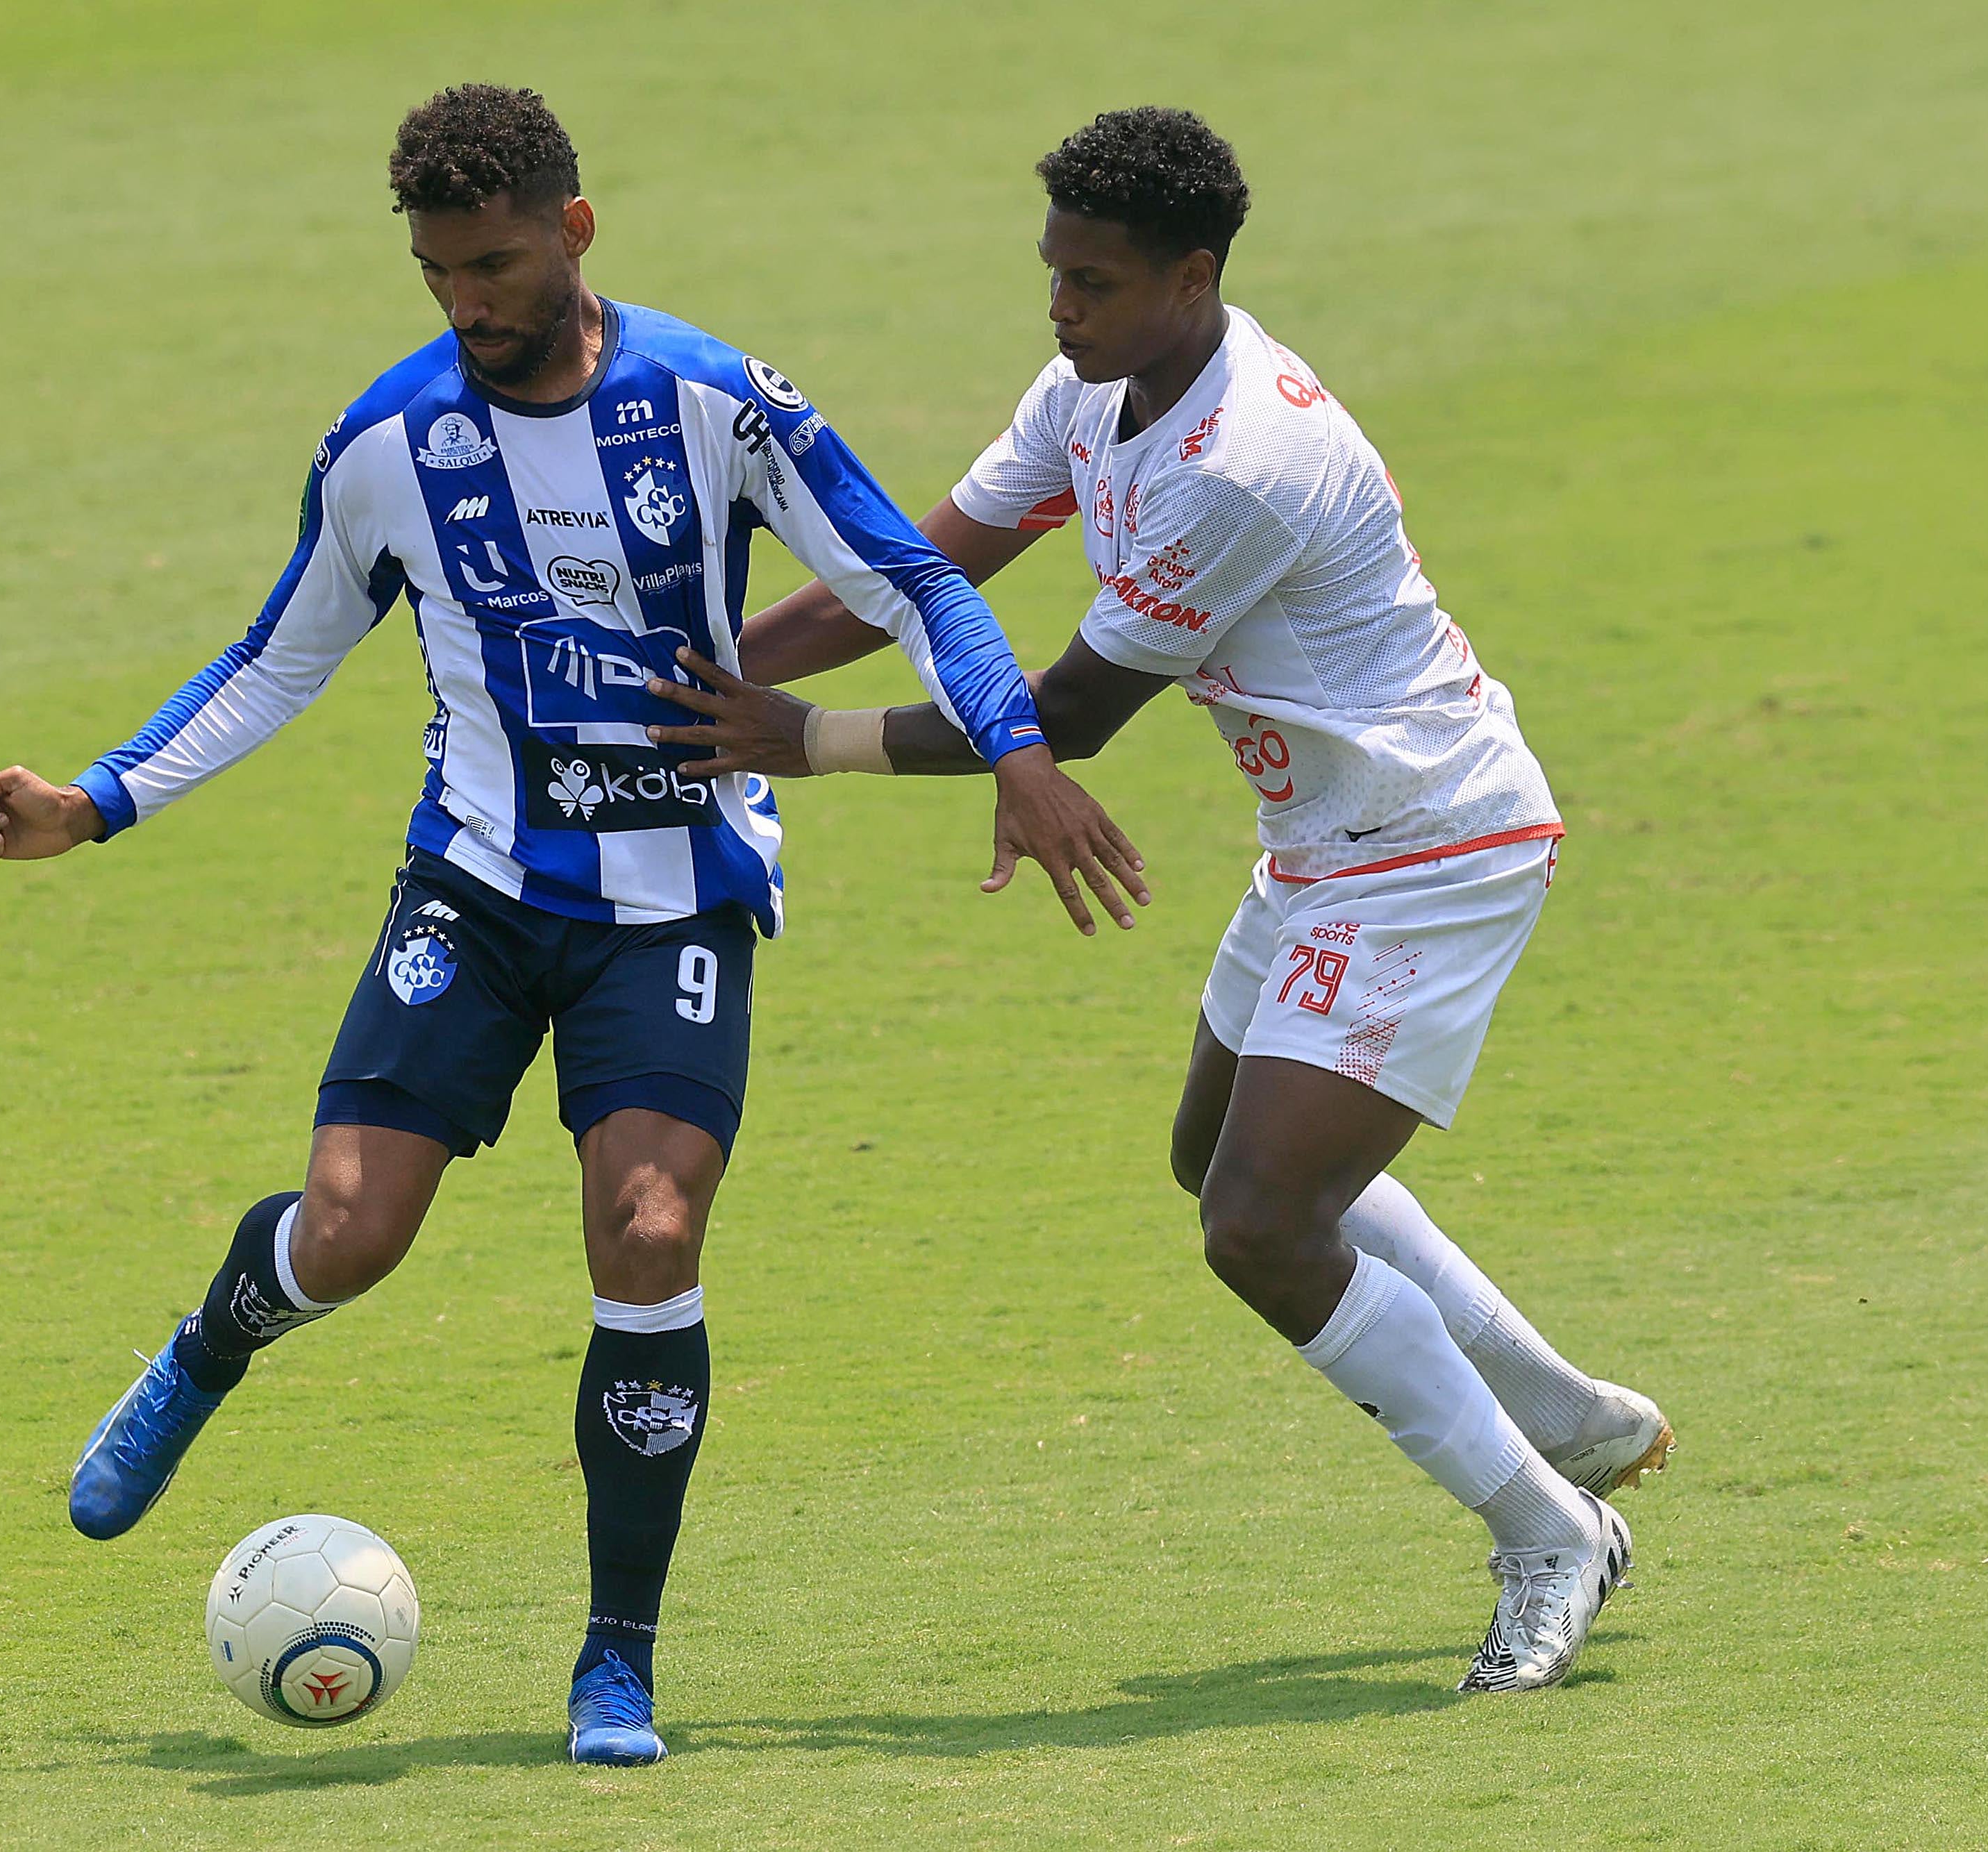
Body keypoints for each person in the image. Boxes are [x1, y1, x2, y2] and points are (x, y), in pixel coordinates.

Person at [0, 83, 1142, 1764]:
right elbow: (278, 653)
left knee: (647, 1234)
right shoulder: (388, 443)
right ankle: (208, 1345)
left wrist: (1013, 755)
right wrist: (95, 800)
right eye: (437, 273)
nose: (468, 304)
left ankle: (615, 1661)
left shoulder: (715, 402)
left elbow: (915, 577)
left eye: (494, 264)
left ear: (574, 232)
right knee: (351, 1237)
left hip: (674, 902)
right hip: (480, 882)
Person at [647, 106, 1672, 1694]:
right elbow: (928, 563)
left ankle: (1546, 1529)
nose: (1058, 311)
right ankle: (1559, 1412)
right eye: (1052, 275)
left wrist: (800, 743)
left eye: (1094, 283)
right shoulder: (1094, 388)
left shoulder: (1241, 465)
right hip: (1325, 839)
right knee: (1214, 1156)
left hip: (1428, 843)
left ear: (1192, 277)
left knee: (1257, 1223)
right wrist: (714, 669)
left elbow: (1059, 716)